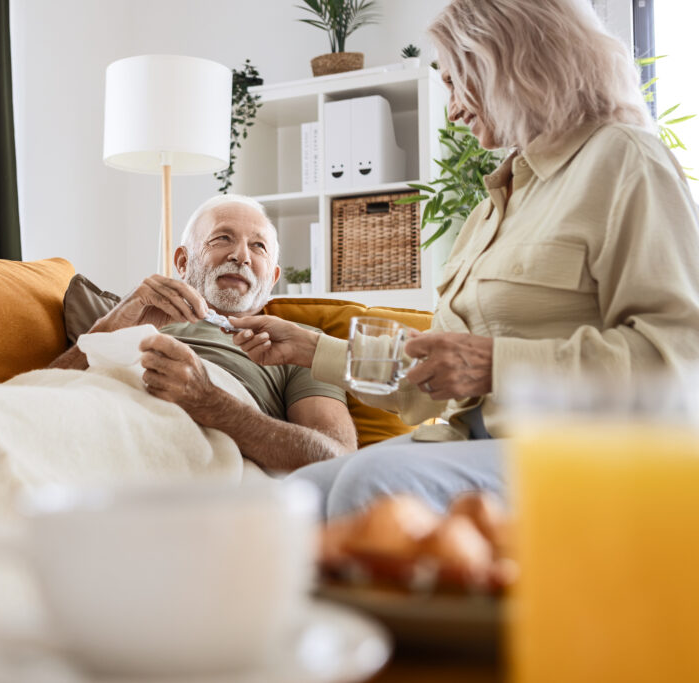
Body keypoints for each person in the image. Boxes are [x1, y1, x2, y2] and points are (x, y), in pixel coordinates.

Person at [228, 0, 699, 517]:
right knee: (294, 499)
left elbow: (681, 357)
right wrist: (312, 348)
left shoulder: (624, 159)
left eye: (455, 81)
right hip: (472, 442)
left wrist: (497, 366)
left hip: (590, 454)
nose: (451, 109)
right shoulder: (490, 211)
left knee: (371, 488)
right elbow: (432, 389)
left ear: (510, 64)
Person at [49, 194, 358, 471]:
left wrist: (210, 402)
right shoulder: (129, 316)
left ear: (273, 277)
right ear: (183, 262)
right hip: (90, 417)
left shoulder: (298, 342)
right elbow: (39, 392)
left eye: (258, 246)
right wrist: (111, 328)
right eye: (222, 238)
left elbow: (338, 459)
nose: (241, 256)